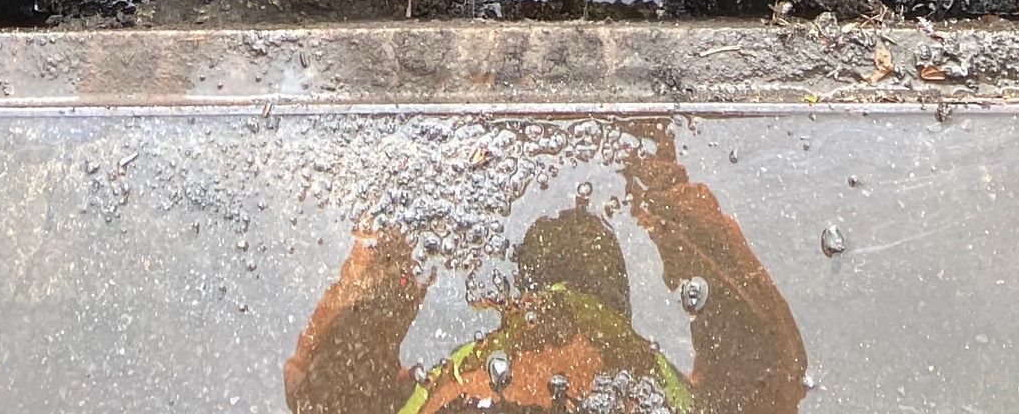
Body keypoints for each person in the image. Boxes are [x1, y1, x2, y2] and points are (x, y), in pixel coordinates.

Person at [285, 123, 807, 414]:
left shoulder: (460, 382)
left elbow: (325, 389)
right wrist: (659, 185)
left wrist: (422, 199)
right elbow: (767, 370)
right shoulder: (657, 390)